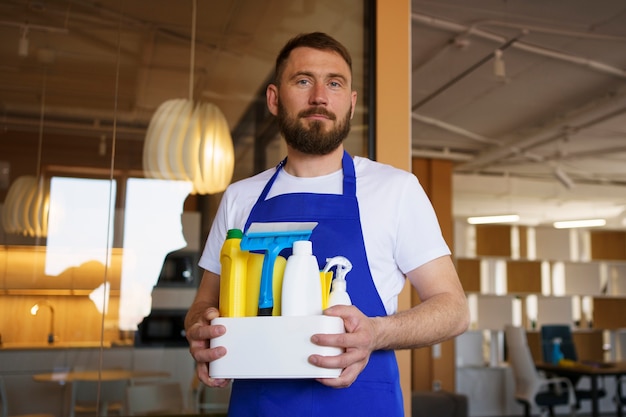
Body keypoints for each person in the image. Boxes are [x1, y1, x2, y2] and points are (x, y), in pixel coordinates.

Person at [185, 32, 469, 417]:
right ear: (274, 98)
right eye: (303, 81)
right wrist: (200, 329)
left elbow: (454, 309)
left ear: (350, 104)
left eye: (334, 83)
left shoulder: (395, 190)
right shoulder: (240, 197)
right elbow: (205, 303)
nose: (320, 95)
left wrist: (377, 332)